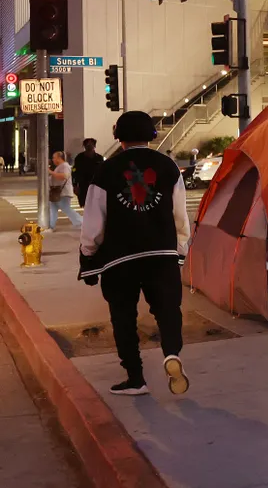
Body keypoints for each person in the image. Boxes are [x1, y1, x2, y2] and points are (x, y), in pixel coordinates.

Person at [79, 111, 191, 397]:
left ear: (120, 138)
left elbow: (94, 220)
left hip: (120, 259)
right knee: (167, 310)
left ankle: (135, 378)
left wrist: (88, 254)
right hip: (162, 253)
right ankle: (171, 354)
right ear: (151, 135)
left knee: (123, 316)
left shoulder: (105, 171)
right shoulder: (168, 167)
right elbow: (180, 215)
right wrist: (179, 249)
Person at [48, 152, 83, 231]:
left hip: (63, 192)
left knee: (65, 208)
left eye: (54, 157)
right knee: (53, 209)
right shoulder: (60, 166)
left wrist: (51, 172)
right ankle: (51, 226)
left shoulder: (64, 166)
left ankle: (81, 221)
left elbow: (64, 176)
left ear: (59, 158)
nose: (53, 159)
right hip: (57, 192)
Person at [72, 138, 104, 209]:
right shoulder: (79, 158)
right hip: (83, 185)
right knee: (85, 204)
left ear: (94, 146)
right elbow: (74, 171)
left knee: (96, 205)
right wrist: (75, 185)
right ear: (84, 146)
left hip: (96, 185)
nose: (89, 146)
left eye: (91, 144)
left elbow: (103, 172)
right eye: (87, 144)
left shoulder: (99, 158)